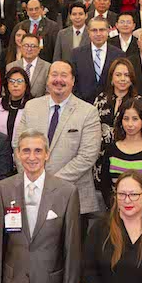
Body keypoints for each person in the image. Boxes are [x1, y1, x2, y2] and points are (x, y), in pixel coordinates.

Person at [0, 130, 83, 283]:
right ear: (17, 154)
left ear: (47, 154)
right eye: (26, 151)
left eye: (38, 151)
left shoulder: (67, 192)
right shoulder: (4, 188)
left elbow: (71, 249)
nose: (31, 157)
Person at [16, 61, 106, 221]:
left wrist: (50, 183)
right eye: (54, 75)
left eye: (64, 75)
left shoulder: (88, 112)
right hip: (32, 194)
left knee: (72, 246)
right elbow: (18, 146)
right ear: (47, 79)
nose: (59, 80)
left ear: (72, 81)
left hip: (73, 197)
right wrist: (34, 180)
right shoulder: (31, 107)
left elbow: (88, 156)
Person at [0, 68, 32, 139]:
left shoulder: (32, 105)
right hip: (0, 147)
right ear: (7, 85)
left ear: (26, 85)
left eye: (20, 81)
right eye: (11, 81)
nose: (15, 85)